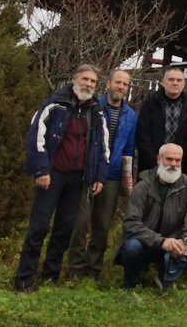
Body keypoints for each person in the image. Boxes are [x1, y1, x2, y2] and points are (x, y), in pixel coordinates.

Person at [14, 65, 109, 292]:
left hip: (78, 179)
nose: (88, 84)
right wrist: (41, 170)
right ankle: (24, 280)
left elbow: (103, 148)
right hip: (52, 175)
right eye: (85, 79)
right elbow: (36, 136)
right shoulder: (54, 104)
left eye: (93, 82)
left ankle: (50, 277)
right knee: (38, 227)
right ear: (74, 79)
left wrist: (99, 177)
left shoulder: (96, 111)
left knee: (64, 228)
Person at [65, 68, 137, 281]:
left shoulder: (131, 115)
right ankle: (75, 270)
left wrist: (127, 183)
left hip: (113, 176)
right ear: (108, 84)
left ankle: (93, 270)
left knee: (102, 226)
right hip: (88, 173)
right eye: (118, 82)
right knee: (80, 223)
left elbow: (129, 150)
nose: (121, 87)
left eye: (125, 84)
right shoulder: (93, 106)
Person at [115, 143, 187, 291]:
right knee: (131, 247)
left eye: (177, 160)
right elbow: (131, 223)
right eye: (169, 159)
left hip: (174, 241)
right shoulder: (143, 186)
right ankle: (131, 282)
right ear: (158, 159)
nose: (173, 164)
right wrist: (161, 241)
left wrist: (185, 240)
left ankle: (167, 274)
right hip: (145, 242)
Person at [135, 66, 187, 177]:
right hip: (150, 165)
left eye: (179, 80)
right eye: (171, 79)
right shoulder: (149, 105)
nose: (175, 83)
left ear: (183, 84)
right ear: (163, 83)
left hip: (178, 166)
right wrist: (156, 160)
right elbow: (142, 135)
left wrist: (177, 159)